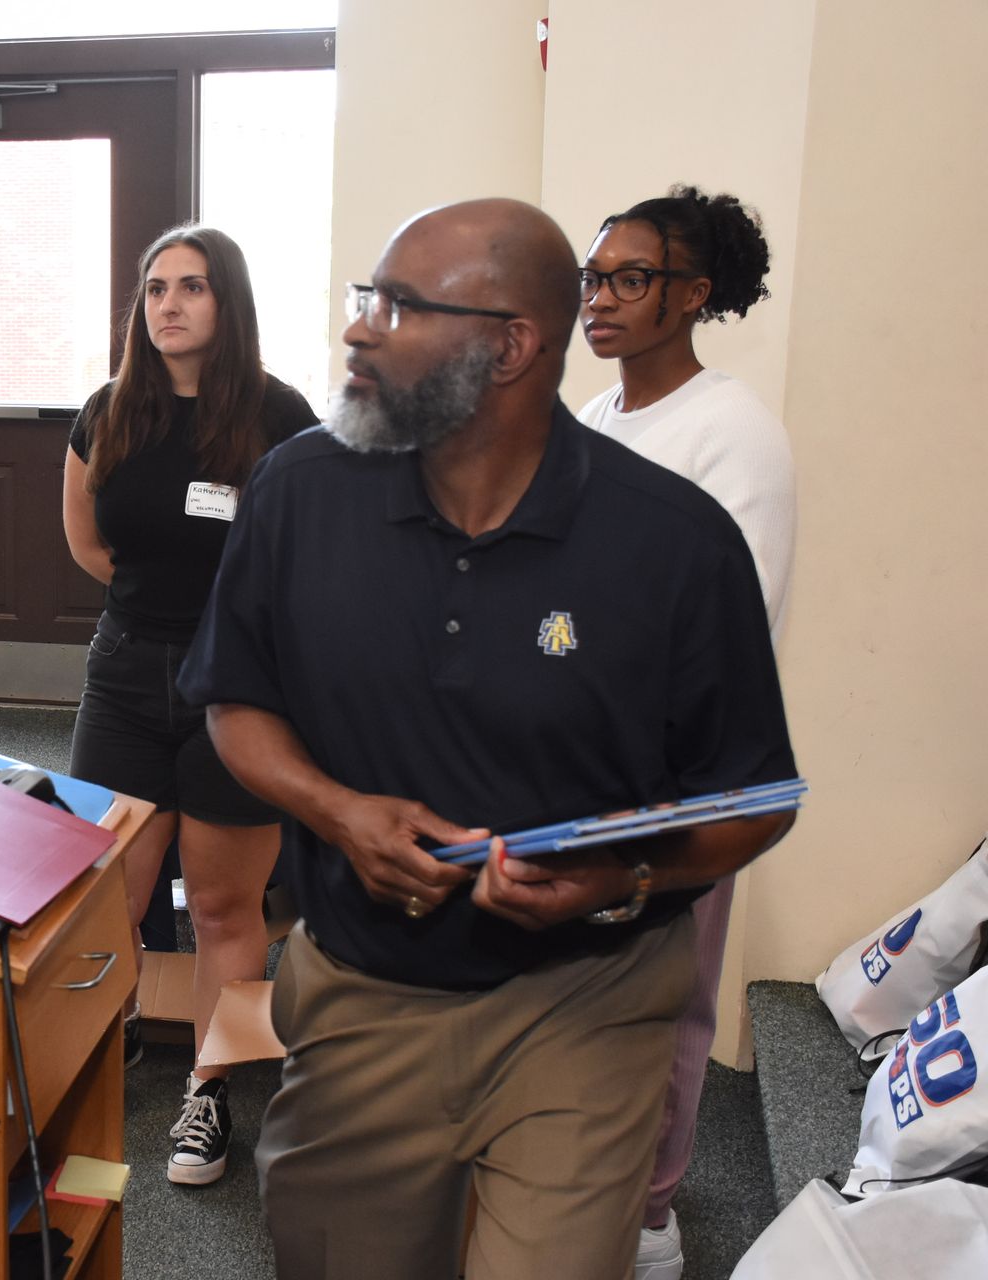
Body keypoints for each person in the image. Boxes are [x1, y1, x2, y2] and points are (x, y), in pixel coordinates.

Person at [178, 198, 797, 1279]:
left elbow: (754, 796)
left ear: (512, 346)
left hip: (586, 999)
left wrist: (624, 871)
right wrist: (338, 811)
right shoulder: (301, 492)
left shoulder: (675, 544)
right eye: (364, 301)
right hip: (363, 988)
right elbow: (234, 699)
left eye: (396, 307)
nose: (359, 331)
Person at [61, 224, 317, 1186]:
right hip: (125, 672)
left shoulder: (280, 418)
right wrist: (153, 608)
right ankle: (100, 1039)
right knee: (109, 898)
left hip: (241, 687)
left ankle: (210, 1092)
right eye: (155, 287)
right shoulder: (109, 410)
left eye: (193, 287)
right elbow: (89, 541)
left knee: (223, 903)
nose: (168, 303)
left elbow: (304, 558)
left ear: (229, 302)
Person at [579, 185, 796, 1280]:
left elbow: (731, 627)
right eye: (594, 275)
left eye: (630, 278)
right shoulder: (592, 418)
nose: (600, 299)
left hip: (680, 776)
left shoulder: (735, 432)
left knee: (669, 999)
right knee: (590, 999)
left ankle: (654, 1215)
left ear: (693, 294)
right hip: (581, 758)